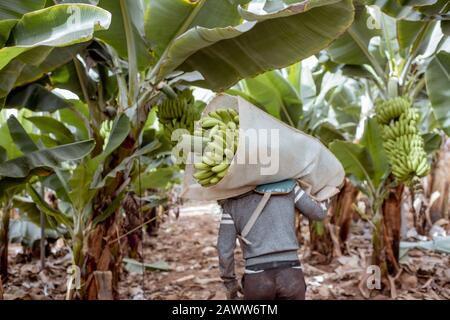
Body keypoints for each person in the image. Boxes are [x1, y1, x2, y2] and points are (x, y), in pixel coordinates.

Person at [217, 179, 330, 300]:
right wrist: (327, 193)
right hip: (291, 276)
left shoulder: (231, 203)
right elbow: (319, 213)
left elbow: (224, 250)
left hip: (257, 279)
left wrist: (230, 283)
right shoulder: (289, 188)